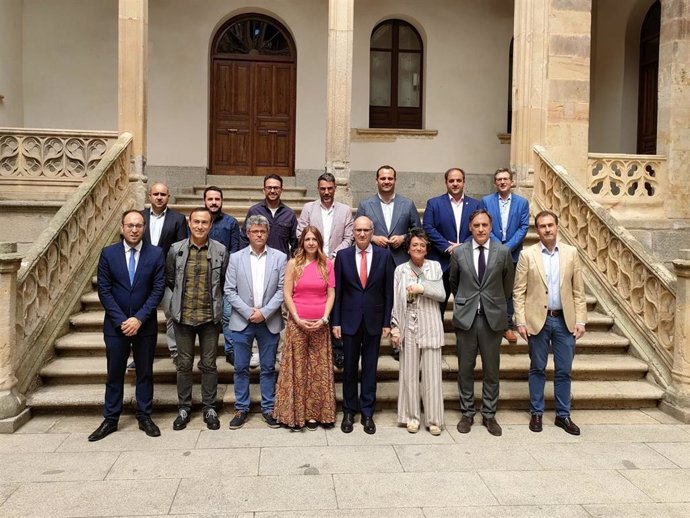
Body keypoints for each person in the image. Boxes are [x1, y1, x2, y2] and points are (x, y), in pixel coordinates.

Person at [88, 210, 165, 442]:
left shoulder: (156, 253)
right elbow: (104, 290)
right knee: (114, 373)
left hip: (145, 325)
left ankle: (144, 416)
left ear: (144, 228)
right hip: (116, 326)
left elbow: (157, 290)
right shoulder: (108, 254)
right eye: (130, 225)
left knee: (144, 373)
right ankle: (111, 419)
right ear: (122, 227)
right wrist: (122, 320)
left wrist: (139, 318)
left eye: (139, 225)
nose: (134, 230)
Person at [513, 210, 587, 436]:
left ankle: (563, 416)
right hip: (538, 321)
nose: (547, 229)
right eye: (542, 226)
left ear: (557, 226)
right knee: (537, 368)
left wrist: (581, 320)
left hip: (565, 321)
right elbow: (519, 291)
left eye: (550, 225)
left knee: (564, 370)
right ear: (538, 230)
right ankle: (536, 412)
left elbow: (578, 291)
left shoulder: (571, 253)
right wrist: (521, 321)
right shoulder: (528, 255)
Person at [449, 209, 514, 437]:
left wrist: (492, 303)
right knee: (465, 368)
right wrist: (467, 301)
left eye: (484, 225)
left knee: (491, 369)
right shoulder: (459, 253)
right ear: (470, 227)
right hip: (466, 318)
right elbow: (454, 283)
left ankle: (489, 414)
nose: (480, 229)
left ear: (491, 226)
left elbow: (507, 286)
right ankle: (467, 412)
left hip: (492, 320)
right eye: (476, 225)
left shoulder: (503, 252)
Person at [167, 207, 228, 431]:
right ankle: (183, 407)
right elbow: (171, 279)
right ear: (189, 223)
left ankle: (209, 407)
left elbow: (222, 282)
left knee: (209, 365)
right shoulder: (176, 250)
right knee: (183, 365)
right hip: (183, 318)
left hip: (209, 318)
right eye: (196, 222)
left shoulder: (221, 251)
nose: (200, 226)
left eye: (205, 222)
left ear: (211, 226)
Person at [332, 216, 394, 435]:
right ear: (353, 232)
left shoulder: (384, 256)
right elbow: (337, 292)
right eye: (358, 230)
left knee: (369, 368)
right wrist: (336, 320)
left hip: (374, 321)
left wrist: (387, 321)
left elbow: (389, 292)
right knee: (349, 368)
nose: (361, 234)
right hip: (348, 321)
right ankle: (349, 411)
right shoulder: (343, 256)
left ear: (372, 231)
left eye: (366, 230)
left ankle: (367, 412)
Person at [224, 215, 287, 429]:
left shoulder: (280, 257)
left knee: (268, 367)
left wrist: (265, 312)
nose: (259, 234)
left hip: (269, 321)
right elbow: (229, 290)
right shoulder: (236, 258)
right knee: (240, 367)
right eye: (255, 231)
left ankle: (268, 408)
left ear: (268, 234)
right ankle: (241, 408)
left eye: (262, 231)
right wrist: (248, 312)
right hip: (242, 321)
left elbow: (282, 290)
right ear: (247, 234)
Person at [273, 226, 336, 430]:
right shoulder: (293, 264)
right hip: (298, 324)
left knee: (318, 370)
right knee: (298, 369)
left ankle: (315, 413)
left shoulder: (327, 264)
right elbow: (287, 294)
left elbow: (331, 294)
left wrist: (325, 319)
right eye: (307, 239)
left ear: (319, 242)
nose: (310, 243)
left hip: (320, 324)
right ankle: (295, 413)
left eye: (314, 239)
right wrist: (297, 318)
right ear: (302, 242)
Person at [356, 164, 421, 361]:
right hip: (374, 259)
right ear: (376, 180)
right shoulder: (366, 205)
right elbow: (358, 230)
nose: (386, 181)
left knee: (400, 299)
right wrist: (373, 238)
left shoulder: (407, 203)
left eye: (390, 178)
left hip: (400, 259)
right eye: (382, 178)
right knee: (375, 296)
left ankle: (397, 342)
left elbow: (417, 230)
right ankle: (371, 336)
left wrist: (403, 237)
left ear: (395, 180)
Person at [390, 228, 445, 436]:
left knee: (431, 375)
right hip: (408, 325)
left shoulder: (435, 267)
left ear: (427, 248)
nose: (419, 248)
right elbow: (396, 300)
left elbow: (440, 293)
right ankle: (411, 417)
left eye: (422, 245)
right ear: (408, 248)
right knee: (409, 374)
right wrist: (395, 327)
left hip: (430, 324)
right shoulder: (401, 270)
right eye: (415, 245)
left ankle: (433, 419)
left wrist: (421, 288)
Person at [297, 172, 353, 369]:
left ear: (335, 189)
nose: (326, 192)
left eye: (330, 189)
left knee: (336, 301)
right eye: (323, 189)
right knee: (318, 299)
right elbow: (300, 232)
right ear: (318, 189)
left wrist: (334, 255)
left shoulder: (345, 210)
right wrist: (318, 253)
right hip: (313, 262)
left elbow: (348, 237)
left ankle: (337, 348)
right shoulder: (308, 208)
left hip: (338, 263)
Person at [480, 168, 530, 344]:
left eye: (506, 179)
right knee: (490, 288)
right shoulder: (486, 201)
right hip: (491, 252)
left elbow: (524, 227)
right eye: (499, 179)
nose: (502, 182)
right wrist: (498, 247)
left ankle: (508, 326)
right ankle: (490, 324)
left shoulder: (522, 202)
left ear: (511, 182)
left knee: (509, 290)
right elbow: (484, 225)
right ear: (495, 182)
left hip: (513, 254)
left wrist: (507, 247)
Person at [423, 167, 481, 313]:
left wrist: (463, 246)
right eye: (451, 181)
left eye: (458, 180)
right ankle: (437, 335)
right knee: (437, 307)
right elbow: (428, 228)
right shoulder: (434, 203)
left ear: (464, 182)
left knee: (466, 306)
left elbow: (479, 228)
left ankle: (464, 336)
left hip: (466, 262)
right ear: (446, 183)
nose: (455, 184)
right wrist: (448, 246)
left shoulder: (476, 205)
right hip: (441, 262)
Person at [142, 182, 188, 363]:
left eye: (163, 194)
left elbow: (181, 249)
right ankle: (141, 355)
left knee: (172, 314)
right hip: (143, 277)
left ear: (168, 197)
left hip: (168, 277)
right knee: (142, 316)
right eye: (156, 194)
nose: (159, 197)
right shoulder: (140, 217)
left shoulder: (177, 219)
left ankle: (176, 352)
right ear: (149, 196)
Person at [204, 185, 242, 366]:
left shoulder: (231, 223)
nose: (213, 202)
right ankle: (207, 356)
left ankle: (230, 351)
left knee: (227, 315)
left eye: (216, 199)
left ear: (221, 201)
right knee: (207, 319)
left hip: (226, 279)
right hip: (203, 279)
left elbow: (236, 252)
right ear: (204, 201)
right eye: (210, 199)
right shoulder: (199, 221)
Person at [243, 173, 298, 256]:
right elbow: (244, 238)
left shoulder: (289, 214)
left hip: (281, 264)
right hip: (258, 260)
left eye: (276, 188)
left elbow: (295, 243)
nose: (272, 191)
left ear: (281, 190)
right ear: (264, 190)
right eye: (269, 188)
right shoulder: (254, 211)